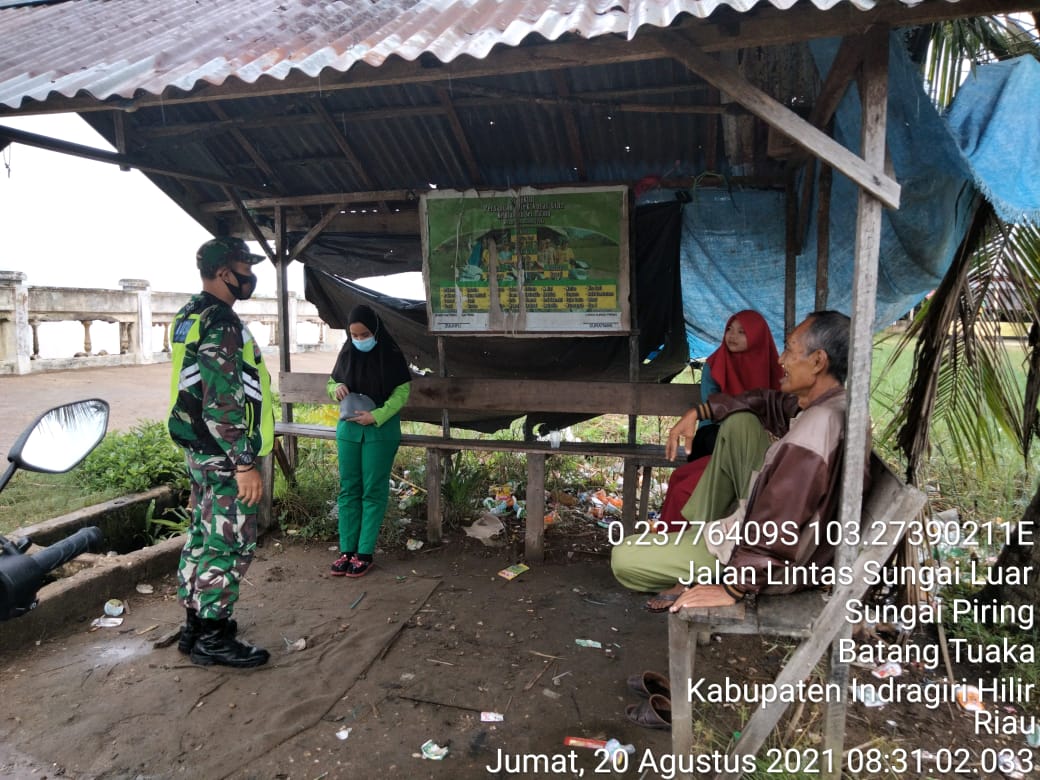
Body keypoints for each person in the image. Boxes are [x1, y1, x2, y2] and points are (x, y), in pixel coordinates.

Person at [611, 310, 864, 611]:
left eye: (791, 350)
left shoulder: (814, 431)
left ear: (819, 361)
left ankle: (697, 569)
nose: (781, 359)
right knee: (739, 423)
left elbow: (779, 526)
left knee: (624, 558)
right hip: (764, 538)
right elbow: (765, 401)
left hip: (774, 565)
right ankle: (698, 538)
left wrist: (734, 586)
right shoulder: (828, 405)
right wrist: (701, 412)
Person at [168, 236, 275, 668]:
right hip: (223, 454)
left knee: (201, 535)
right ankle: (212, 637)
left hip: (199, 449)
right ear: (223, 272)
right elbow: (221, 400)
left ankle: (196, 624)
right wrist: (245, 463)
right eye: (243, 266)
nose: (250, 275)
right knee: (229, 542)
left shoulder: (190, 314)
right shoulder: (222, 323)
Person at [657, 310, 782, 533]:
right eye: (729, 330)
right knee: (679, 479)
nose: (732, 336)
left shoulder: (776, 369)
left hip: (760, 451)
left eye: (742, 332)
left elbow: (776, 409)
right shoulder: (715, 365)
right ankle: (670, 541)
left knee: (686, 489)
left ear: (757, 336)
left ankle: (688, 545)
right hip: (717, 439)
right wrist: (703, 414)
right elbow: (714, 409)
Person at [327, 304, 412, 577]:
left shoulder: (392, 354)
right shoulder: (347, 352)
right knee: (348, 490)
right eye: (354, 335)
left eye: (364, 334)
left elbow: (402, 392)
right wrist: (335, 389)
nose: (359, 339)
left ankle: (364, 553)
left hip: (380, 431)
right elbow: (332, 382)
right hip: (348, 431)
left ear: (375, 330)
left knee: (372, 492)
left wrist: (376, 416)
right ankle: (346, 551)